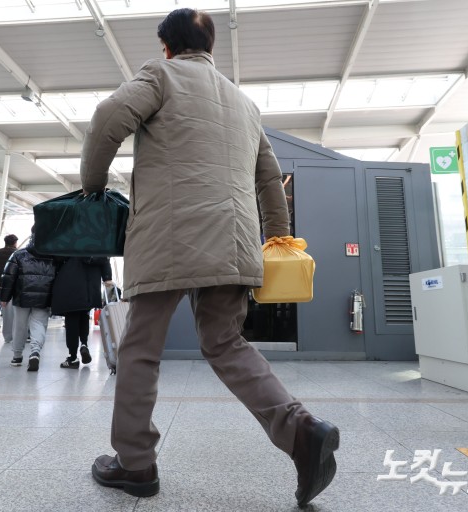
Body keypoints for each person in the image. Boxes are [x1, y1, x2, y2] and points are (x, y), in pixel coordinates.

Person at [80, 9, 339, 507]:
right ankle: (301, 429)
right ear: (211, 47)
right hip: (236, 240)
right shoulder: (244, 103)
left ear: (166, 46)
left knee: (141, 347)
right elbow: (270, 177)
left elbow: (106, 119)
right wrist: (279, 238)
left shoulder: (160, 75)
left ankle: (135, 464)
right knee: (225, 342)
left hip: (167, 235)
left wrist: (92, 188)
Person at [0, 231, 55, 372]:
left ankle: (17, 356)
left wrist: (4, 297)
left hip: (21, 296)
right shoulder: (53, 256)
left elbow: (8, 276)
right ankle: (35, 351)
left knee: (19, 326)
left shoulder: (18, 254)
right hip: (44, 296)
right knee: (39, 324)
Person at [52, 257, 112, 369]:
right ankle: (84, 344)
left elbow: (57, 258)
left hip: (69, 280)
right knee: (84, 314)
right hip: (90, 285)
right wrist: (107, 277)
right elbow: (104, 257)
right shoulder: (96, 241)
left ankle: (72, 357)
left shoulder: (70, 241)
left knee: (71, 320)